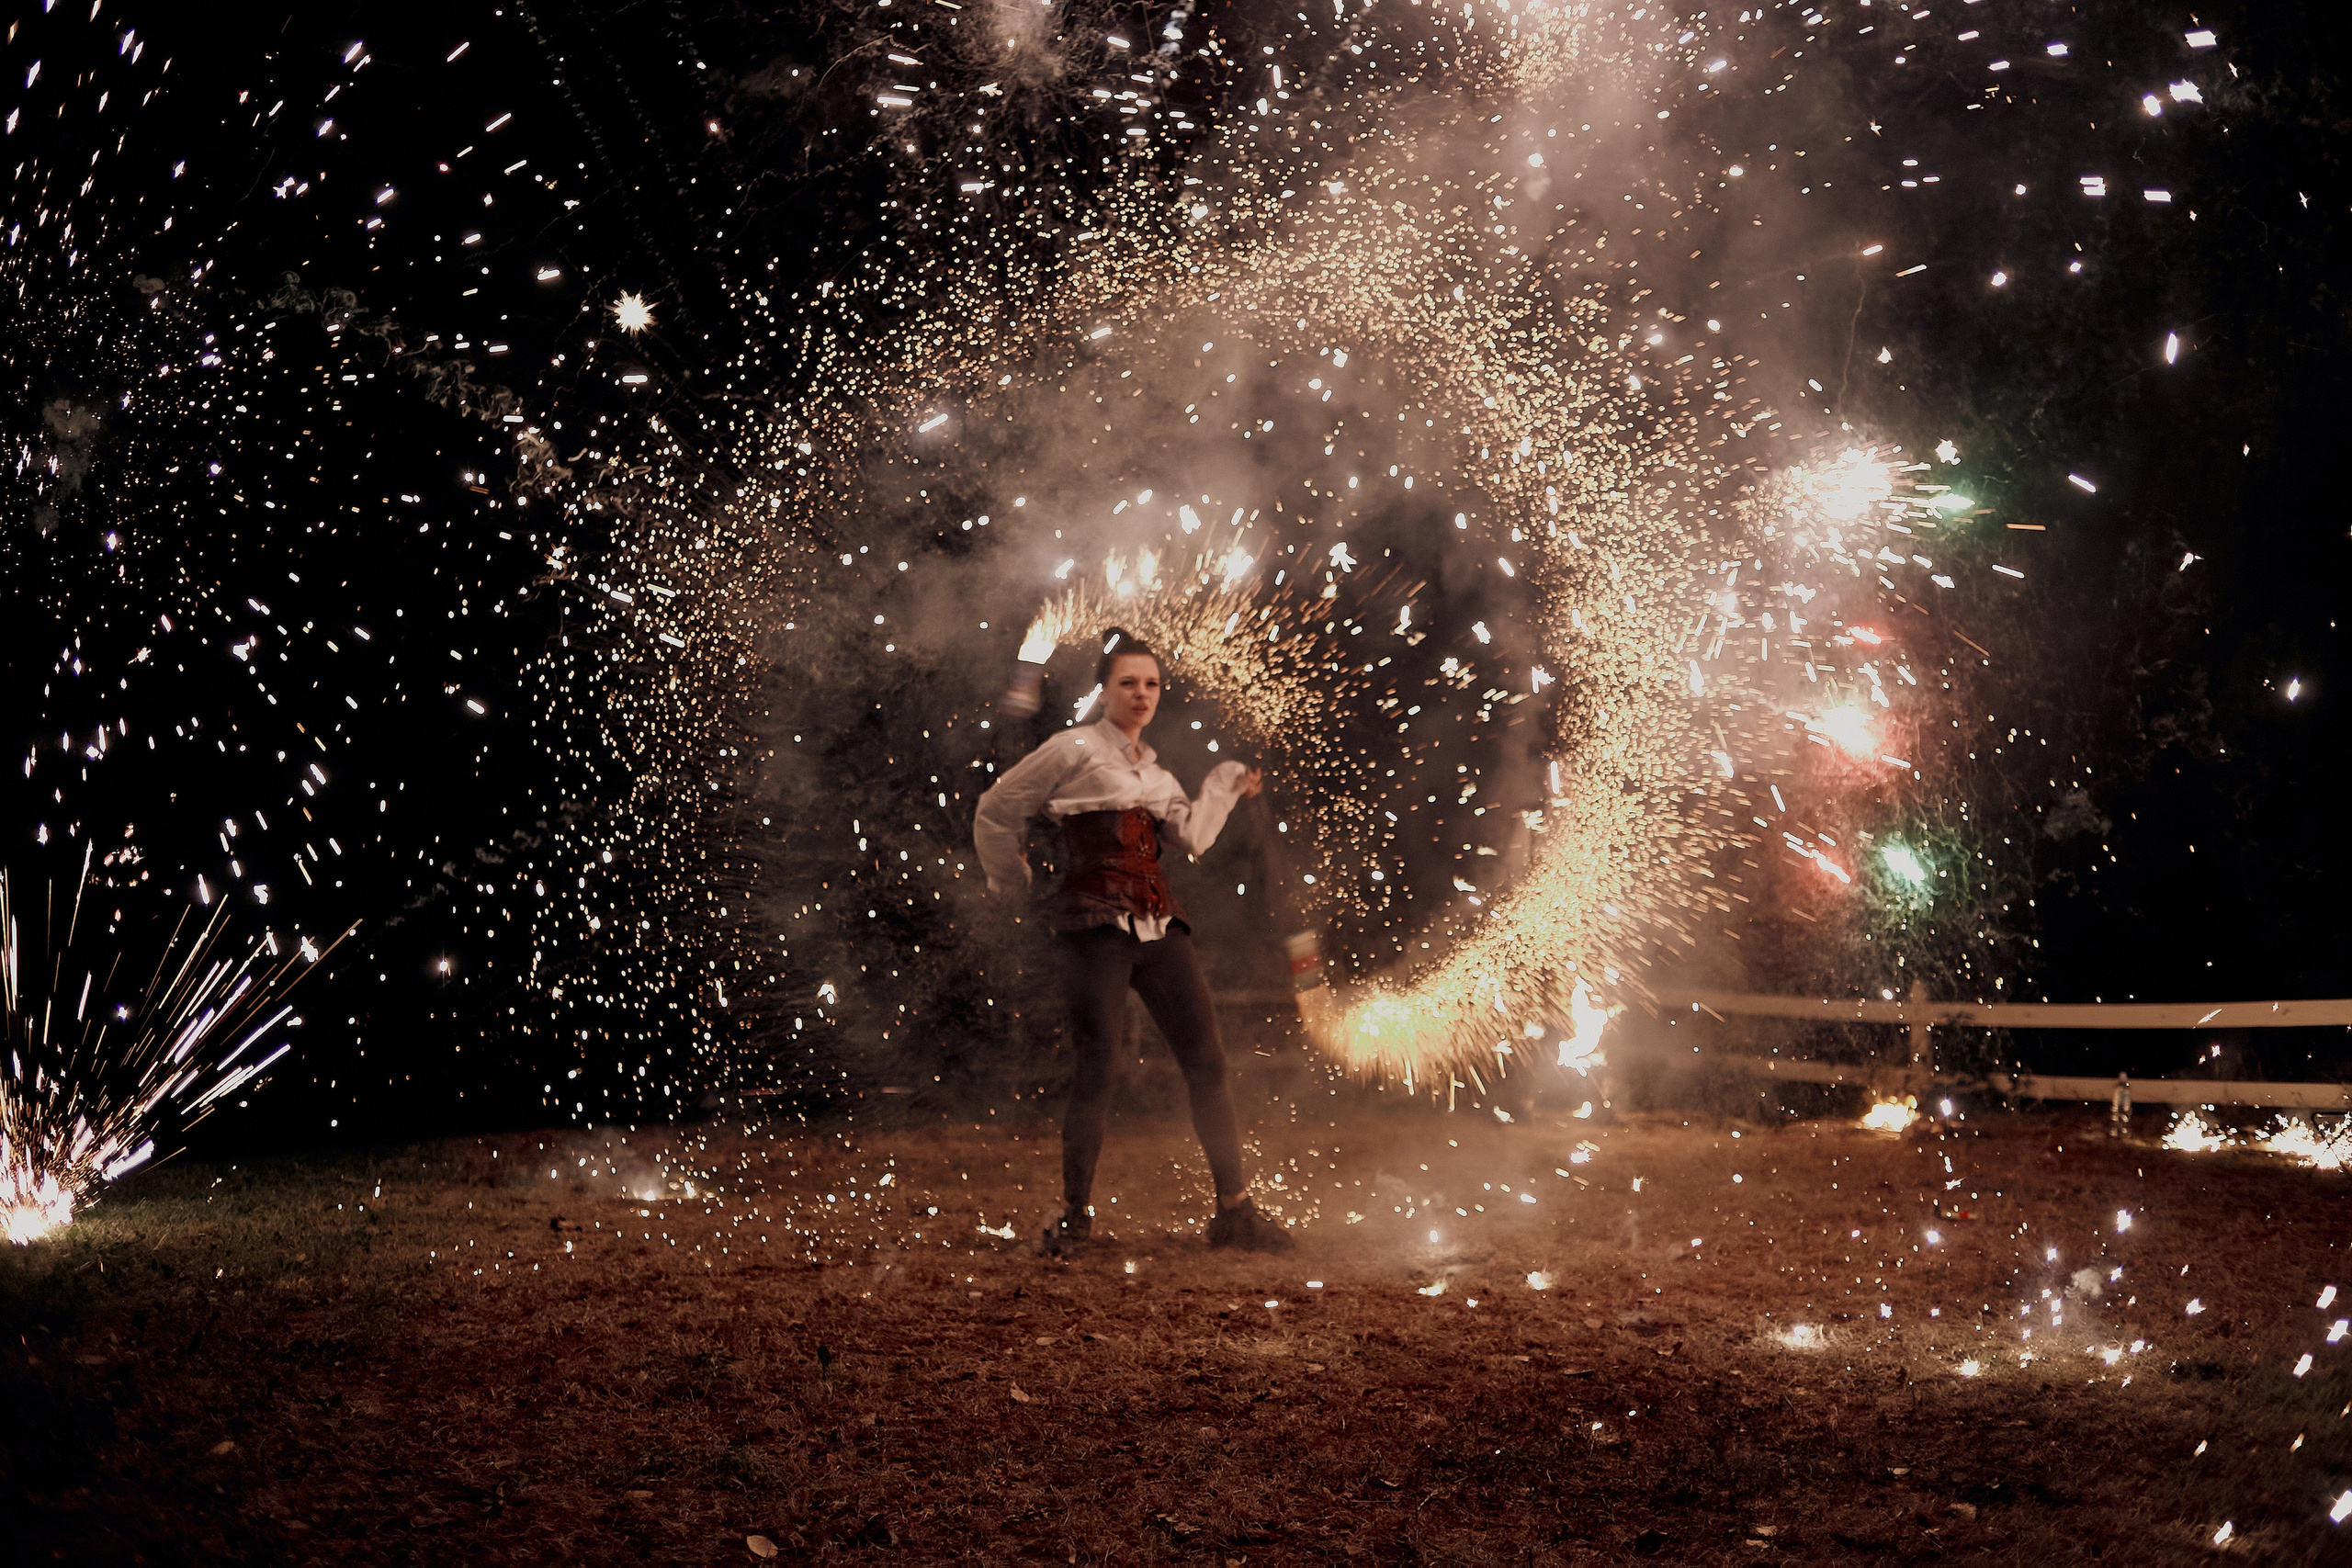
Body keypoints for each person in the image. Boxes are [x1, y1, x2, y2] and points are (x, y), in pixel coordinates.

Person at [974, 630, 1295, 1254]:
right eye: (1128, 682)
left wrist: (1225, 783)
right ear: (1105, 690)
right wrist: (1010, 878)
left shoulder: (1156, 772)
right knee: (1100, 1064)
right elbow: (996, 806)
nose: (1141, 693)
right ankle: (1074, 1219)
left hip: (1157, 924)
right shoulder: (1070, 749)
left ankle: (1234, 1211)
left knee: (1207, 1058)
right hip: (1092, 926)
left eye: (1150, 683)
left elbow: (1192, 836)